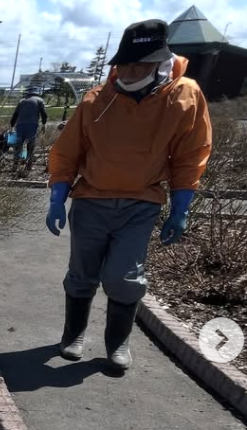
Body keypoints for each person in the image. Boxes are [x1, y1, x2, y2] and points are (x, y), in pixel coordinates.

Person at [47, 19, 212, 371]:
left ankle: (117, 342)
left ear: (160, 63)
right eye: (124, 64)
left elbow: (190, 154)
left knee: (124, 275)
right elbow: (67, 152)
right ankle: (73, 335)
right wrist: (57, 197)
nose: (130, 71)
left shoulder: (185, 96)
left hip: (141, 202)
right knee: (82, 271)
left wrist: (181, 207)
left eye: (140, 64)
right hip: (91, 198)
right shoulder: (98, 100)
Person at [9, 86, 49, 170]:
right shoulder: (39, 100)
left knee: (18, 145)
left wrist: (12, 125)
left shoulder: (22, 101)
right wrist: (44, 123)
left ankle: (15, 165)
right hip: (32, 125)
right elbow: (43, 114)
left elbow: (15, 114)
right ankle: (28, 165)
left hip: (20, 125)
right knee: (30, 146)